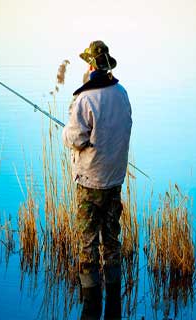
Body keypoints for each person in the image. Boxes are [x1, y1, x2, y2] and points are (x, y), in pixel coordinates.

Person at [62, 41, 132, 320]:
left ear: (91, 66)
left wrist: (65, 133)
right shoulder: (122, 93)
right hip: (114, 180)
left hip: (90, 182)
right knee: (112, 240)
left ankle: (91, 305)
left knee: (88, 243)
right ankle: (113, 301)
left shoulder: (85, 99)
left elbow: (76, 138)